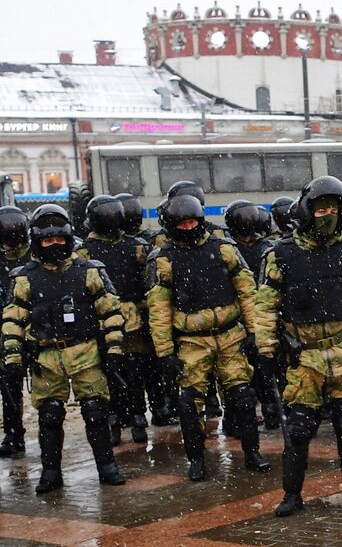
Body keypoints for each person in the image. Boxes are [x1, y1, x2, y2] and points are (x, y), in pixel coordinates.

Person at [256, 176, 342, 518]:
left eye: (333, 209)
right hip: (304, 355)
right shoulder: (281, 255)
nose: (326, 215)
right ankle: (292, 493)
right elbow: (265, 305)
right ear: (307, 210)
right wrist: (267, 350)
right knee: (299, 428)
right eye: (320, 208)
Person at [2, 204, 127, 492]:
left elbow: (111, 312)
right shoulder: (24, 278)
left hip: (85, 352)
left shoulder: (89, 271)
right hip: (46, 356)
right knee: (49, 415)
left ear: (68, 239)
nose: (54, 245)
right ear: (37, 242)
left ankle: (107, 466)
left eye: (59, 240)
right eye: (48, 241)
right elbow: (13, 319)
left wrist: (115, 350)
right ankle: (51, 472)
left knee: (96, 412)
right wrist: (12, 355)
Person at [146, 195, 270, 481]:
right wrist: (164, 351)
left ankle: (252, 452)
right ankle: (196, 459)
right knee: (189, 403)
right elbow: (159, 308)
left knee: (242, 397)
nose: (189, 228)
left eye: (193, 222)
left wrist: (254, 332)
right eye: (183, 224)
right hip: (191, 341)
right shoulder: (163, 259)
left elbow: (248, 292)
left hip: (229, 335)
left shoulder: (224, 249)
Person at [77, 195, 152, 445]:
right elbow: (148, 285)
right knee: (133, 370)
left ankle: (118, 418)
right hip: (131, 319)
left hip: (104, 320)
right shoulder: (137, 246)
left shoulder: (84, 252)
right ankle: (136, 416)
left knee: (114, 371)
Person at [225, 199, 282, 430]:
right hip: (239, 321)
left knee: (266, 369)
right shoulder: (228, 250)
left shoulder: (266, 249)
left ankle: (270, 411)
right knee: (237, 375)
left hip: (264, 317)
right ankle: (236, 417)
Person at [0, 206, 31, 456]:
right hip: (7, 331)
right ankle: (13, 434)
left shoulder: (34, 257)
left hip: (34, 329)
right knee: (10, 385)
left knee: (46, 387)